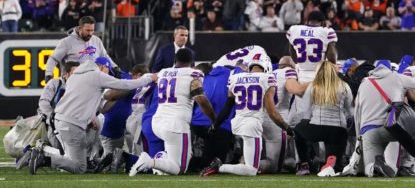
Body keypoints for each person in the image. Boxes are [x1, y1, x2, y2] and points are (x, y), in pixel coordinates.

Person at [28, 53, 156, 174]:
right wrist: (148, 79)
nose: (107, 74)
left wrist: (92, 114)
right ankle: (44, 157)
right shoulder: (97, 75)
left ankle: (88, 160)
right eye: (107, 71)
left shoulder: (76, 75)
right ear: (103, 67)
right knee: (79, 167)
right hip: (71, 123)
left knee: (84, 147)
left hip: (62, 120)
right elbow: (124, 84)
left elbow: (96, 104)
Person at [129, 48, 217, 176]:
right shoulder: (194, 74)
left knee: (179, 158)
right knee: (180, 168)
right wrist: (214, 119)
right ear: (191, 62)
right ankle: (149, 161)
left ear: (175, 60)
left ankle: (159, 159)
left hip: (157, 122)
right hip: (176, 124)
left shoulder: (163, 72)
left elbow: (149, 81)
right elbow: (201, 100)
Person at [202, 58, 291, 177]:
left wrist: (215, 124)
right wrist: (286, 127)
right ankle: (220, 167)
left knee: (252, 164)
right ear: (266, 68)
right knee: (251, 170)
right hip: (252, 125)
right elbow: (272, 112)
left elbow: (228, 106)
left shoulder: (235, 77)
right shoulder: (267, 78)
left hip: (238, 123)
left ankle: (228, 165)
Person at [355, 60, 415, 177]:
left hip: (368, 130)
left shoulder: (364, 83)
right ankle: (407, 165)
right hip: (392, 127)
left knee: (369, 169)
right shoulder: (396, 77)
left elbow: (357, 113)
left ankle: (375, 166)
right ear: (389, 69)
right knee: (413, 133)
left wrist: (359, 136)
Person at [292, 60, 354, 176]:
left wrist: (308, 125)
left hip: (317, 128)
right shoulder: (344, 86)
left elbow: (305, 112)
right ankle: (331, 163)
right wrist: (345, 131)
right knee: (335, 168)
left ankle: (305, 163)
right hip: (337, 130)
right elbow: (350, 113)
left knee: (297, 129)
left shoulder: (313, 86)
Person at [45, 16, 117, 80]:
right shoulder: (66, 42)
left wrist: (115, 67)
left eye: (92, 30)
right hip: (73, 83)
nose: (90, 34)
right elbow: (53, 58)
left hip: (94, 83)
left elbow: (105, 57)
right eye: (87, 30)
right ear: (80, 28)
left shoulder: (96, 40)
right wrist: (48, 74)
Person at [286, 10, 338, 83]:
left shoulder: (294, 29)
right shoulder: (327, 31)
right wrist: (333, 67)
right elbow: (332, 55)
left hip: (301, 75)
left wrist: (298, 62)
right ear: (323, 22)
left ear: (307, 20)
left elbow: (293, 53)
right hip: (319, 74)